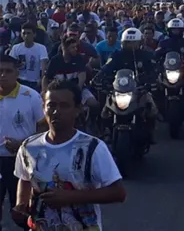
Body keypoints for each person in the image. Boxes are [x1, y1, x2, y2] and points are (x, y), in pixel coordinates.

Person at [12, 79, 126, 230]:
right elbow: (25, 179)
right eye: (51, 105)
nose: (55, 111)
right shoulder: (29, 147)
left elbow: (118, 193)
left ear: (77, 109)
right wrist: (21, 204)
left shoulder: (93, 148)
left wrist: (70, 197)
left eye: (64, 106)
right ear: (43, 108)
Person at [0, 55, 47, 230]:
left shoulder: (31, 96)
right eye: (0, 71)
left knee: (22, 212)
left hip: (21, 162)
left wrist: (22, 144)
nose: (3, 75)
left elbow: (44, 128)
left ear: (17, 73)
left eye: (8, 71)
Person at [94, 28, 158, 142]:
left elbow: (154, 70)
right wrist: (99, 78)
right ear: (123, 42)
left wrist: (152, 80)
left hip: (139, 89)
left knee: (152, 108)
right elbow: (106, 68)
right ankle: (106, 131)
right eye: (128, 42)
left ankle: (150, 132)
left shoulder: (146, 55)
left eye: (134, 42)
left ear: (140, 42)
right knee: (104, 110)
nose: (131, 45)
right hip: (118, 89)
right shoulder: (116, 55)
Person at [9, 23, 49, 92]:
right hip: (19, 82)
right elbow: (10, 65)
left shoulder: (41, 48)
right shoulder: (16, 48)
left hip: (34, 83)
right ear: (21, 35)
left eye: (29, 33)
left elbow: (43, 67)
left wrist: (42, 83)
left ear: (34, 34)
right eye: (24, 33)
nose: (26, 35)